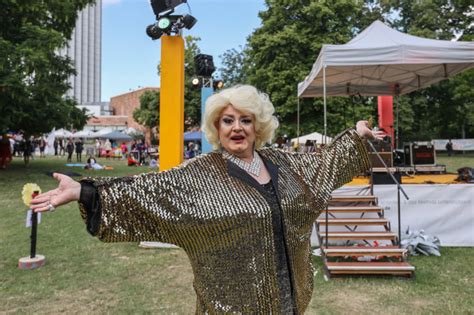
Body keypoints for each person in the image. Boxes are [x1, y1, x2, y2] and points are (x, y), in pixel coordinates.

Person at [30, 85, 383, 314]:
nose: (237, 127)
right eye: (227, 120)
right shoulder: (199, 173)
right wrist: (85, 191)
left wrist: (356, 137)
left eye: (245, 120)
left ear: (258, 126)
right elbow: (149, 191)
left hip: (290, 301)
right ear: (216, 127)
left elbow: (322, 165)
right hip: (228, 306)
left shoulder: (282, 162)